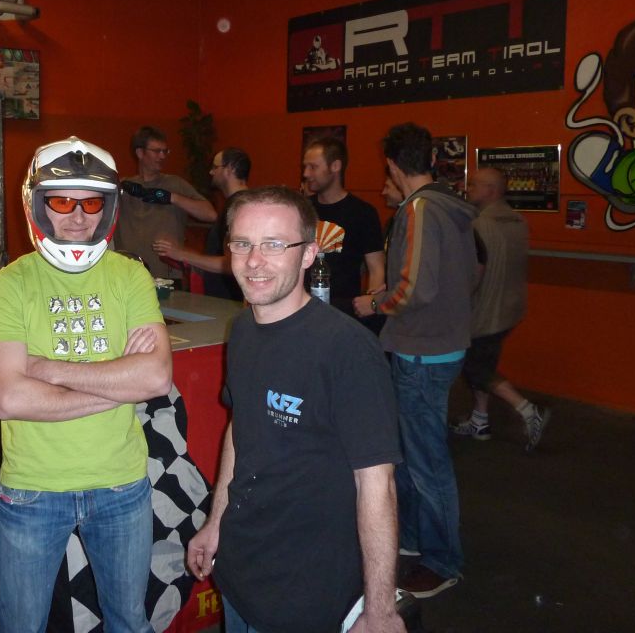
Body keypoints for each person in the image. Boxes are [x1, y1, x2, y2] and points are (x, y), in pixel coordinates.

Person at [187, 186, 404, 633]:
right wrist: (216, 522)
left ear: (308, 255)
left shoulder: (346, 349)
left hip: (307, 590)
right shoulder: (242, 330)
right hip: (241, 571)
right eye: (242, 243)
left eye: (273, 245)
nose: (254, 261)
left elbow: (377, 485)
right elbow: (240, 428)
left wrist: (380, 609)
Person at [0, 136, 173, 633]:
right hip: (33, 489)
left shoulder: (131, 276)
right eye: (63, 202)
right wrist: (119, 380)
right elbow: (9, 399)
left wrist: (50, 368)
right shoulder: (10, 283)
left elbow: (155, 377)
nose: (79, 217)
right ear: (37, 206)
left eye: (92, 203)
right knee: (20, 626)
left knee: (129, 622)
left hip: (121, 483)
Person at [354, 123, 478, 599]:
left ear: (392, 164)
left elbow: (415, 289)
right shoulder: (450, 204)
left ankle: (443, 560)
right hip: (436, 346)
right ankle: (411, 537)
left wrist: (375, 303)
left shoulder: (421, 208)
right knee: (411, 456)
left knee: (427, 464)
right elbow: (467, 274)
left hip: (423, 351)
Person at [451, 167, 551, 451]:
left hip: (486, 311)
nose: (468, 188)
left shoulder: (479, 225)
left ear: (491, 190)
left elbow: (471, 273)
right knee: (484, 361)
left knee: (476, 368)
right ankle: (479, 420)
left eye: (474, 184)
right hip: (511, 307)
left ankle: (528, 409)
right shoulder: (518, 220)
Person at [302, 137, 386, 328]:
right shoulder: (302, 209)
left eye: (313, 167)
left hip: (344, 315)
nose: (306, 173)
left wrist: (371, 305)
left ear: (335, 166)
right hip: (302, 308)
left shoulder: (363, 213)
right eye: (305, 167)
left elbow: (376, 269)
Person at [115, 126, 217, 283]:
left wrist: (171, 197)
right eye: (157, 151)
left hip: (167, 275)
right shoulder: (124, 186)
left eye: (165, 151)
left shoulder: (175, 184)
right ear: (140, 153)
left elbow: (210, 214)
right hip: (128, 274)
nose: (162, 156)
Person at [151, 146, 249, 299]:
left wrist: (181, 254)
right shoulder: (237, 204)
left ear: (230, 169)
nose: (211, 172)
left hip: (228, 301)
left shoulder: (239, 208)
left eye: (215, 167)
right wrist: (180, 251)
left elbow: (234, 262)